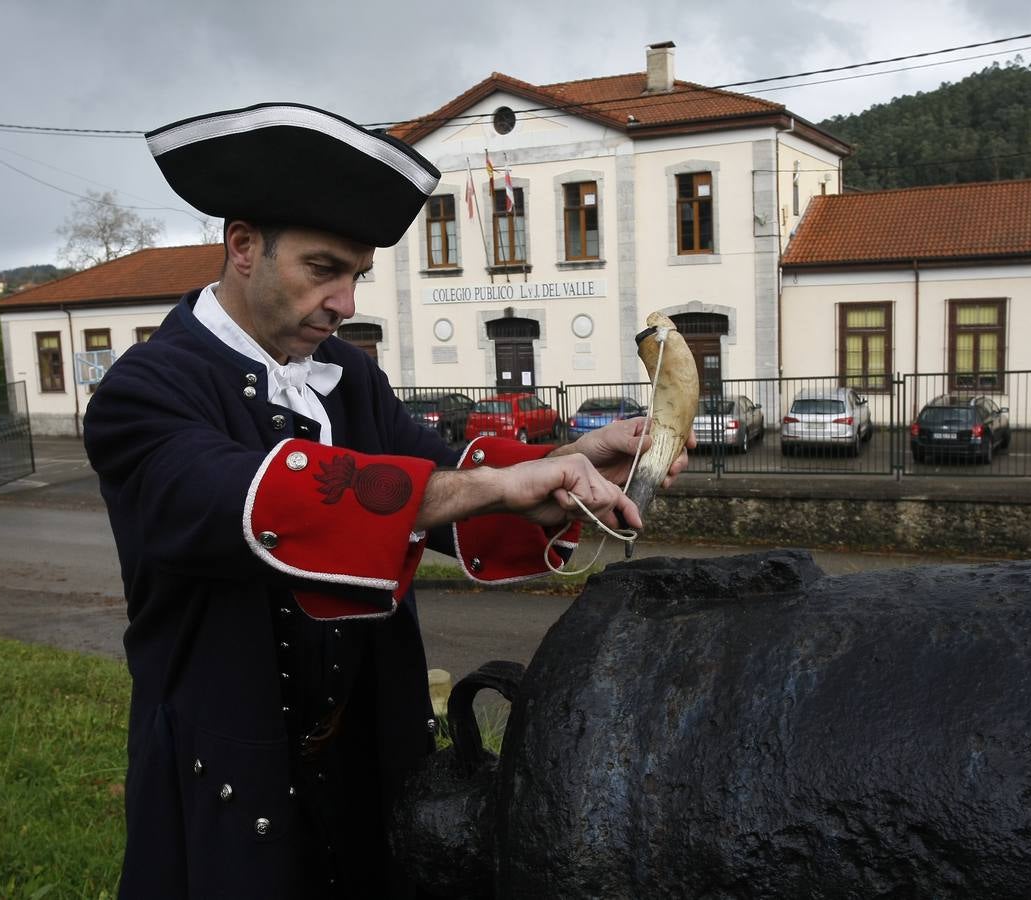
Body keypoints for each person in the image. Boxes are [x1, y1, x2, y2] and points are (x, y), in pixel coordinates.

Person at [83, 101, 689, 898]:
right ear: (241, 247)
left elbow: (439, 476)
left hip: (367, 749)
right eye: (323, 269)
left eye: (357, 276)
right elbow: (249, 502)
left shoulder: (348, 376)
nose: (345, 302)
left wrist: (570, 461)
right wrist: (499, 482)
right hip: (225, 771)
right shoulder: (145, 390)